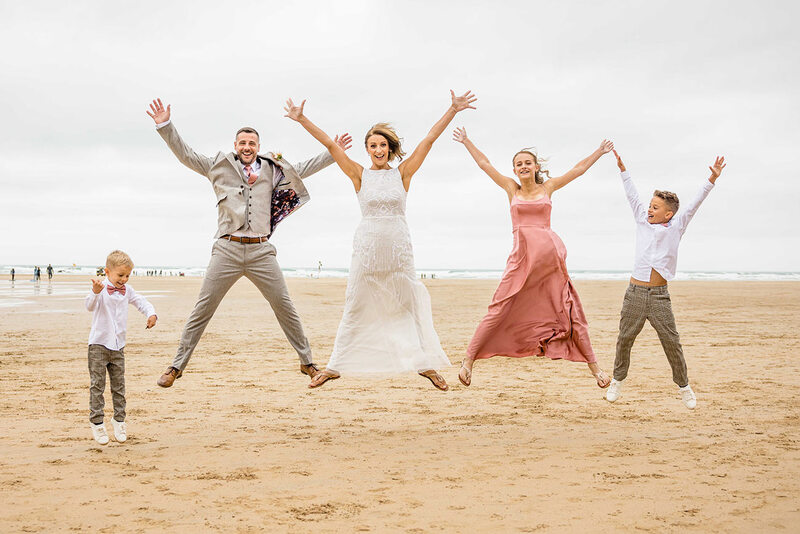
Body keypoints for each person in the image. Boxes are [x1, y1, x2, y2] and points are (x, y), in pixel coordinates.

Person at [146, 98, 352, 387]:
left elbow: (303, 168)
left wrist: (334, 152)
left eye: (252, 143)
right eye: (242, 142)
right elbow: (186, 154)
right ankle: (176, 367)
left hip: (260, 251)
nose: (247, 147)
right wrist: (165, 125)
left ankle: (308, 364)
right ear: (235, 145)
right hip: (226, 249)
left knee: (285, 306)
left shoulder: (272, 167)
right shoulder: (217, 165)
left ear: (258, 146)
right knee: (202, 310)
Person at [284, 90, 477, 390]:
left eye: (383, 145)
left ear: (390, 148)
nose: (378, 149)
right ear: (367, 149)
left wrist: (452, 110)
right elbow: (329, 144)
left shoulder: (403, 174)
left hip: (399, 250)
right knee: (354, 305)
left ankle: (425, 366)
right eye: (373, 145)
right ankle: (334, 366)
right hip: (367, 251)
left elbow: (428, 140)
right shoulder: (359, 174)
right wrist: (301, 119)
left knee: (409, 306)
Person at [453, 127, 614, 388]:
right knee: (499, 307)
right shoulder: (510, 188)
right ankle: (469, 360)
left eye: (528, 162)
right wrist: (466, 141)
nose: (523, 166)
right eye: (519, 164)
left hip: (549, 262)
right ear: (515, 170)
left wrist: (599, 151)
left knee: (570, 309)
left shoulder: (548, 187)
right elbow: (485, 164)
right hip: (521, 259)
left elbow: (578, 169)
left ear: (536, 166)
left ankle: (595, 369)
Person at [606, 151, 725, 409]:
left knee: (671, 341)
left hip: (659, 295)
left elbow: (695, 203)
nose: (649, 209)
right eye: (650, 205)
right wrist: (623, 169)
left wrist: (711, 180)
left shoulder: (678, 225)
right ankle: (618, 380)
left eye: (655, 207)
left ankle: (684, 386)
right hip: (635, 293)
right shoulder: (642, 221)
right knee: (625, 338)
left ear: (668, 214)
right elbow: (632, 196)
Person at [85, 250, 157, 444]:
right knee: (97, 386)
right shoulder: (100, 289)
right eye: (120, 275)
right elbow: (89, 306)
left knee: (119, 387)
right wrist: (95, 292)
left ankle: (119, 420)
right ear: (107, 272)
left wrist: (151, 313)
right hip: (98, 345)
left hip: (118, 347)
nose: (124, 279)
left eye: (127, 275)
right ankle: (97, 423)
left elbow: (141, 302)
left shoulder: (128, 290)